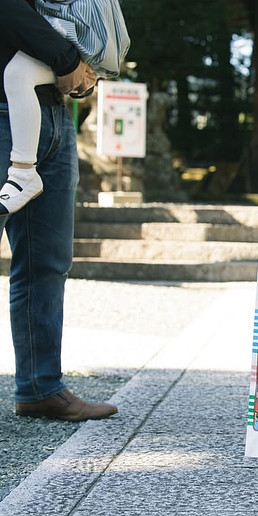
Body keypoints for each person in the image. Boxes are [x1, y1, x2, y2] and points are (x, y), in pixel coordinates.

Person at [1, 0, 118, 421]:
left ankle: (40, 386)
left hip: (50, 110)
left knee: (47, 261)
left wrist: (83, 71)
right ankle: (40, 385)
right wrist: (67, 57)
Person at [0, 0, 128, 215]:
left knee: (50, 248)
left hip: (54, 108)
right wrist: (69, 62)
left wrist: (79, 72)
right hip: (11, 109)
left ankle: (23, 174)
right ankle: (23, 174)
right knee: (17, 75)